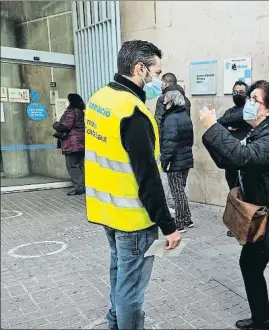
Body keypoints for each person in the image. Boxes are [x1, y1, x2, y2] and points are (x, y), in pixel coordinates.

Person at [199, 80, 269, 330]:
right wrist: (215, 130)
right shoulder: (258, 131)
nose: (248, 103)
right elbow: (227, 160)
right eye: (248, 98)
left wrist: (210, 127)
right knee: (249, 266)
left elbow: (241, 157)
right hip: (262, 220)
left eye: (254, 100)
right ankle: (263, 320)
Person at [84, 40, 181, 330]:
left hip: (107, 211)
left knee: (119, 272)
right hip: (134, 219)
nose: (158, 81)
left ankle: (114, 322)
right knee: (132, 290)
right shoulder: (134, 113)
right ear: (140, 69)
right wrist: (169, 226)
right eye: (156, 71)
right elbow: (148, 180)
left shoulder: (99, 99)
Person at [218, 81, 253, 237]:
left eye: (241, 91)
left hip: (243, 158)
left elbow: (240, 117)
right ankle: (236, 224)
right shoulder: (230, 111)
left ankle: (247, 224)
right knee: (234, 191)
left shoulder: (250, 110)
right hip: (230, 159)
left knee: (244, 192)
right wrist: (228, 125)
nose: (238, 94)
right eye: (235, 91)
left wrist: (228, 124)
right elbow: (219, 125)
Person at [155, 73, 190, 213]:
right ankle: (183, 209)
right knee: (182, 183)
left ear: (165, 83)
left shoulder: (163, 99)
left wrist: (160, 147)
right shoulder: (186, 100)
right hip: (185, 145)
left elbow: (158, 122)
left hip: (168, 143)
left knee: (166, 176)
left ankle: (172, 209)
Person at [160, 90, 194, 232]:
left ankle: (179, 223)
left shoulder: (171, 119)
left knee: (177, 192)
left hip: (174, 161)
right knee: (180, 190)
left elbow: (169, 142)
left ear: (172, 103)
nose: (164, 104)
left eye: (166, 102)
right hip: (185, 159)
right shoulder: (184, 116)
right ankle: (187, 219)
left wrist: (165, 159)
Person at [53, 93, 86, 196]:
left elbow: (65, 126)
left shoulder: (71, 112)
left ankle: (78, 188)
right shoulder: (81, 112)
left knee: (72, 165)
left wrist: (55, 124)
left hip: (72, 143)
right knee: (80, 165)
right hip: (81, 142)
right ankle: (83, 186)